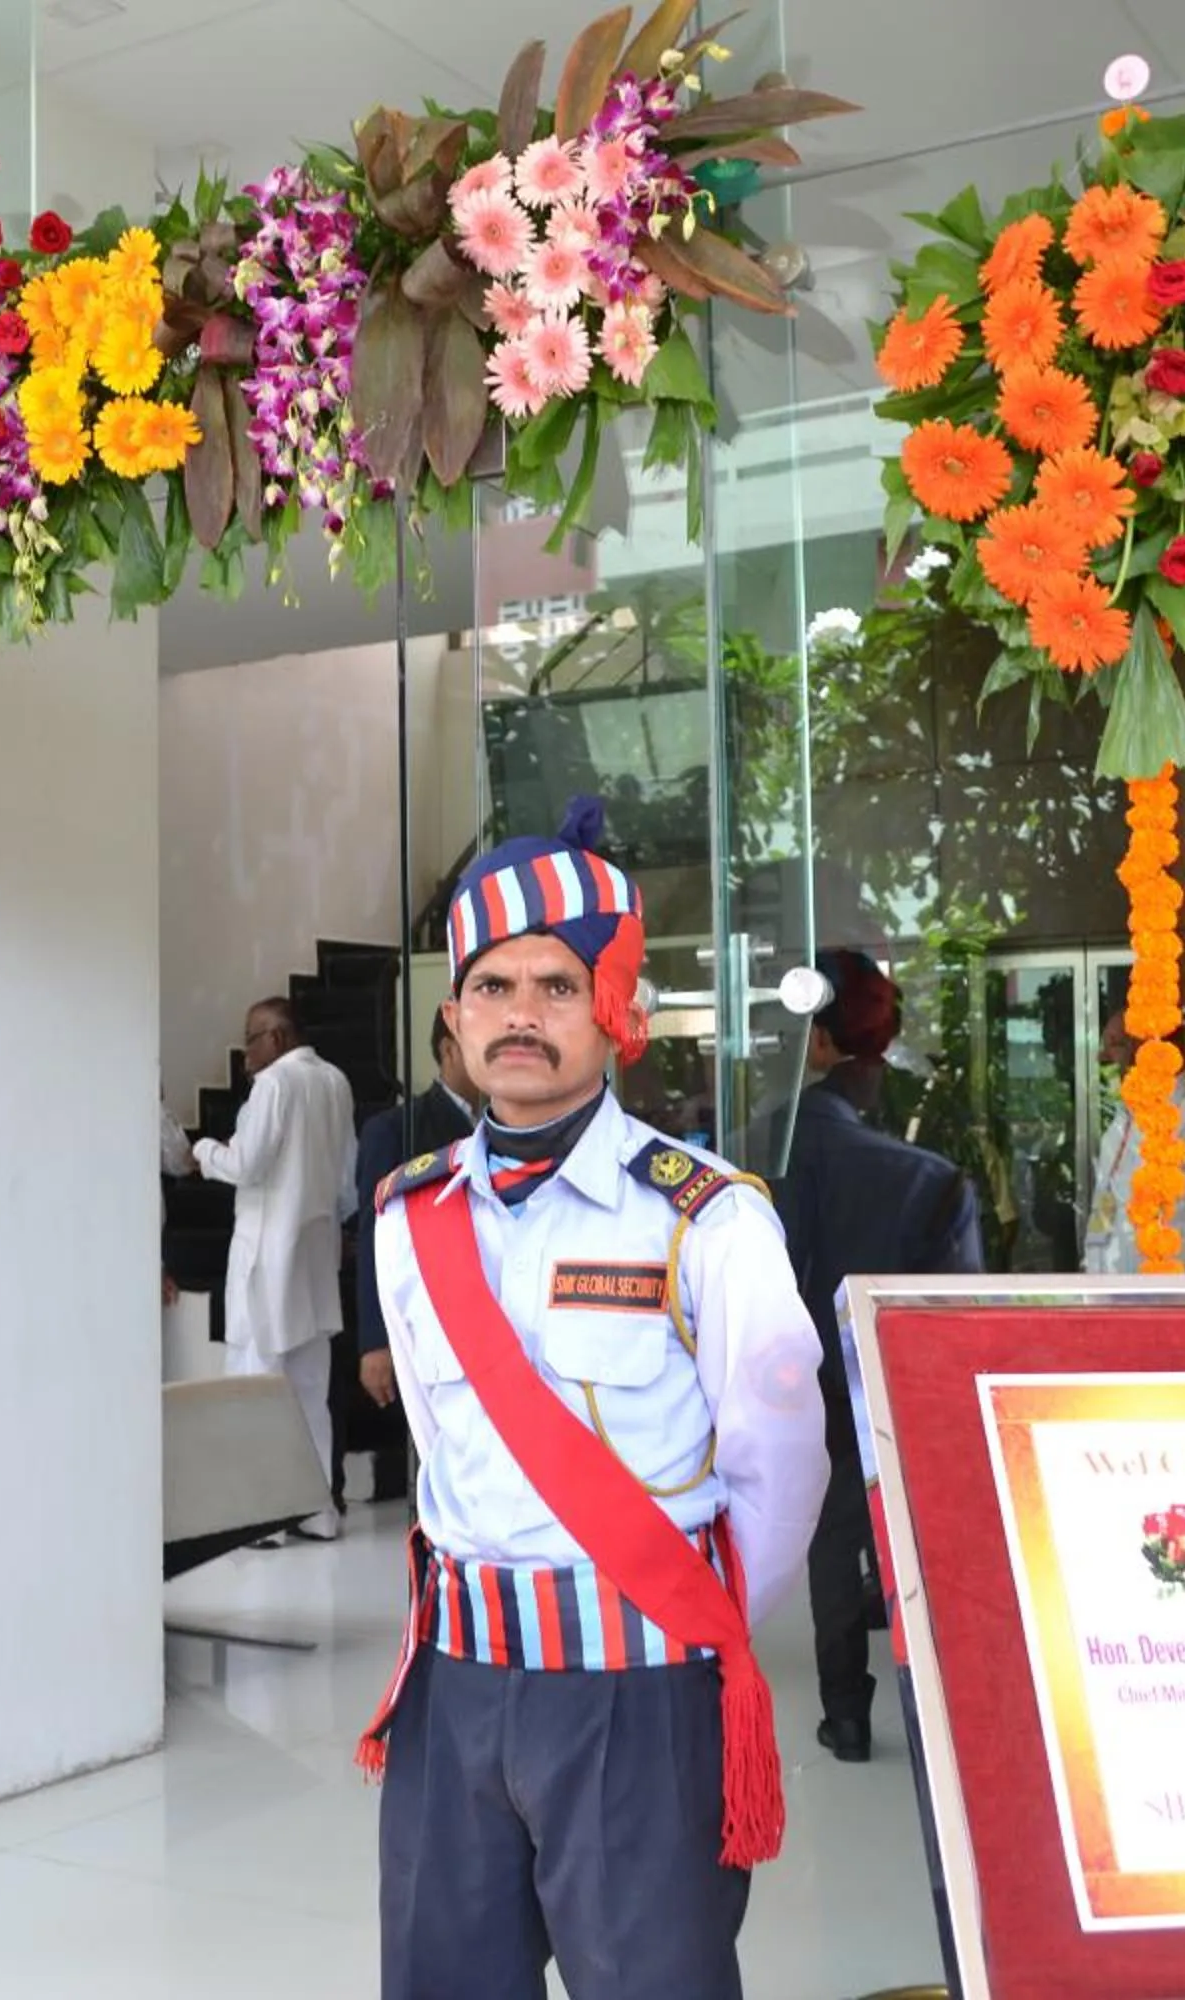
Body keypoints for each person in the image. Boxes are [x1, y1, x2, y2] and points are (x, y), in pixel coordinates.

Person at [363, 801, 828, 1998]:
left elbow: (782, 1462)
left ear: (614, 1010)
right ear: (455, 1015)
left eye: (557, 985)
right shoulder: (409, 1216)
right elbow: (441, 1437)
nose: (520, 1013)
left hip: (637, 1684)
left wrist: (676, 1619)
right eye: (493, 985)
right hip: (453, 1678)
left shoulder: (703, 1216)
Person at [770, 948, 982, 1765]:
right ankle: (937, 1705)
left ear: (819, 1042)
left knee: (832, 1540)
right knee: (916, 1530)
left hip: (803, 1379)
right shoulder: (928, 1171)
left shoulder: (768, 1148)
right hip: (902, 1381)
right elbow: (958, 1304)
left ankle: (847, 1713)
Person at [194, 997, 357, 1542]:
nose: (244, 1056)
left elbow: (246, 1164)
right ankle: (316, 1511)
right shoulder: (335, 1082)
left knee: (255, 1386)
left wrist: (205, 1151)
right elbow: (347, 1182)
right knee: (309, 1392)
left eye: (250, 1039)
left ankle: (260, 1520)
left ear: (278, 1038)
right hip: (315, 1263)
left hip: (267, 1264)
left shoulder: (274, 1084)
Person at [347, 1017, 482, 1499]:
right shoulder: (396, 1129)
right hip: (433, 1318)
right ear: (449, 1050)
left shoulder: (512, 1125)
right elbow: (374, 1237)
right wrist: (374, 1342)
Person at [1085, 1003, 1185, 1274]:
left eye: (1114, 1044)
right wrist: (1090, 1276)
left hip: (1177, 1296)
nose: (1102, 1057)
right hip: (1110, 1296)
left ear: (1146, 1049)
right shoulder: (1119, 1124)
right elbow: (1104, 1209)